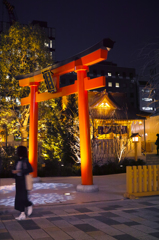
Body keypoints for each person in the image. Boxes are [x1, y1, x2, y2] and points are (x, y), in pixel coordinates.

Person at [12, 145, 33, 220]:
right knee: (19, 197)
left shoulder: (25, 160)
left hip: (24, 181)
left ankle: (28, 205)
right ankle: (22, 213)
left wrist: (20, 171)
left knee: (23, 197)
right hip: (18, 181)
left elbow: (30, 169)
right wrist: (14, 172)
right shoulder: (17, 160)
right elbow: (14, 169)